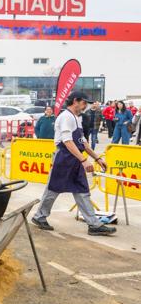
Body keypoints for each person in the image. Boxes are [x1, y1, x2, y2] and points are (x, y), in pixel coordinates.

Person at [31, 91, 115, 236]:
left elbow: (82, 141)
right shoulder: (66, 117)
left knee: (82, 190)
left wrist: (97, 158)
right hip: (63, 157)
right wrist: (83, 160)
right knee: (53, 188)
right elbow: (67, 141)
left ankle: (94, 225)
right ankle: (39, 216)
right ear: (75, 101)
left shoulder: (77, 118)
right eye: (84, 102)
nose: (85, 106)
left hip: (74, 158)